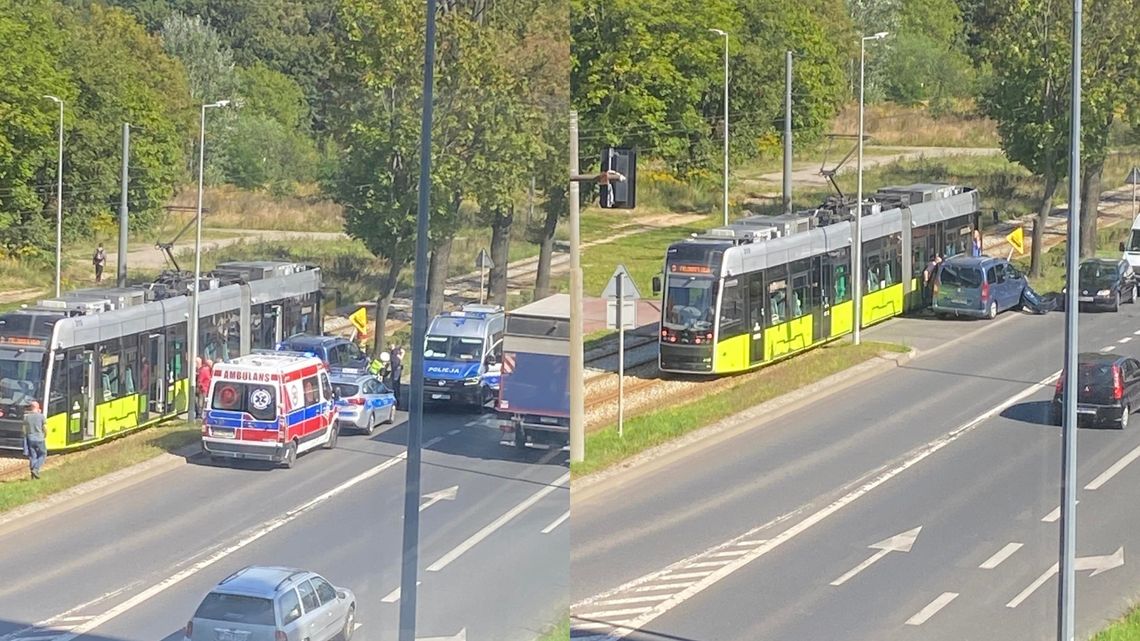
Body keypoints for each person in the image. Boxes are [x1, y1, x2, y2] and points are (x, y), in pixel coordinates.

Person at [23, 401, 46, 480]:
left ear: (31, 407)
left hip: (30, 438)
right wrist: (45, 435)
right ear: (38, 407)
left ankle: (32, 477)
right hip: (39, 438)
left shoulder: (26, 417)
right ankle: (36, 469)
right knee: (43, 454)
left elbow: (24, 429)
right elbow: (45, 428)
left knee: (33, 456)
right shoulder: (41, 416)